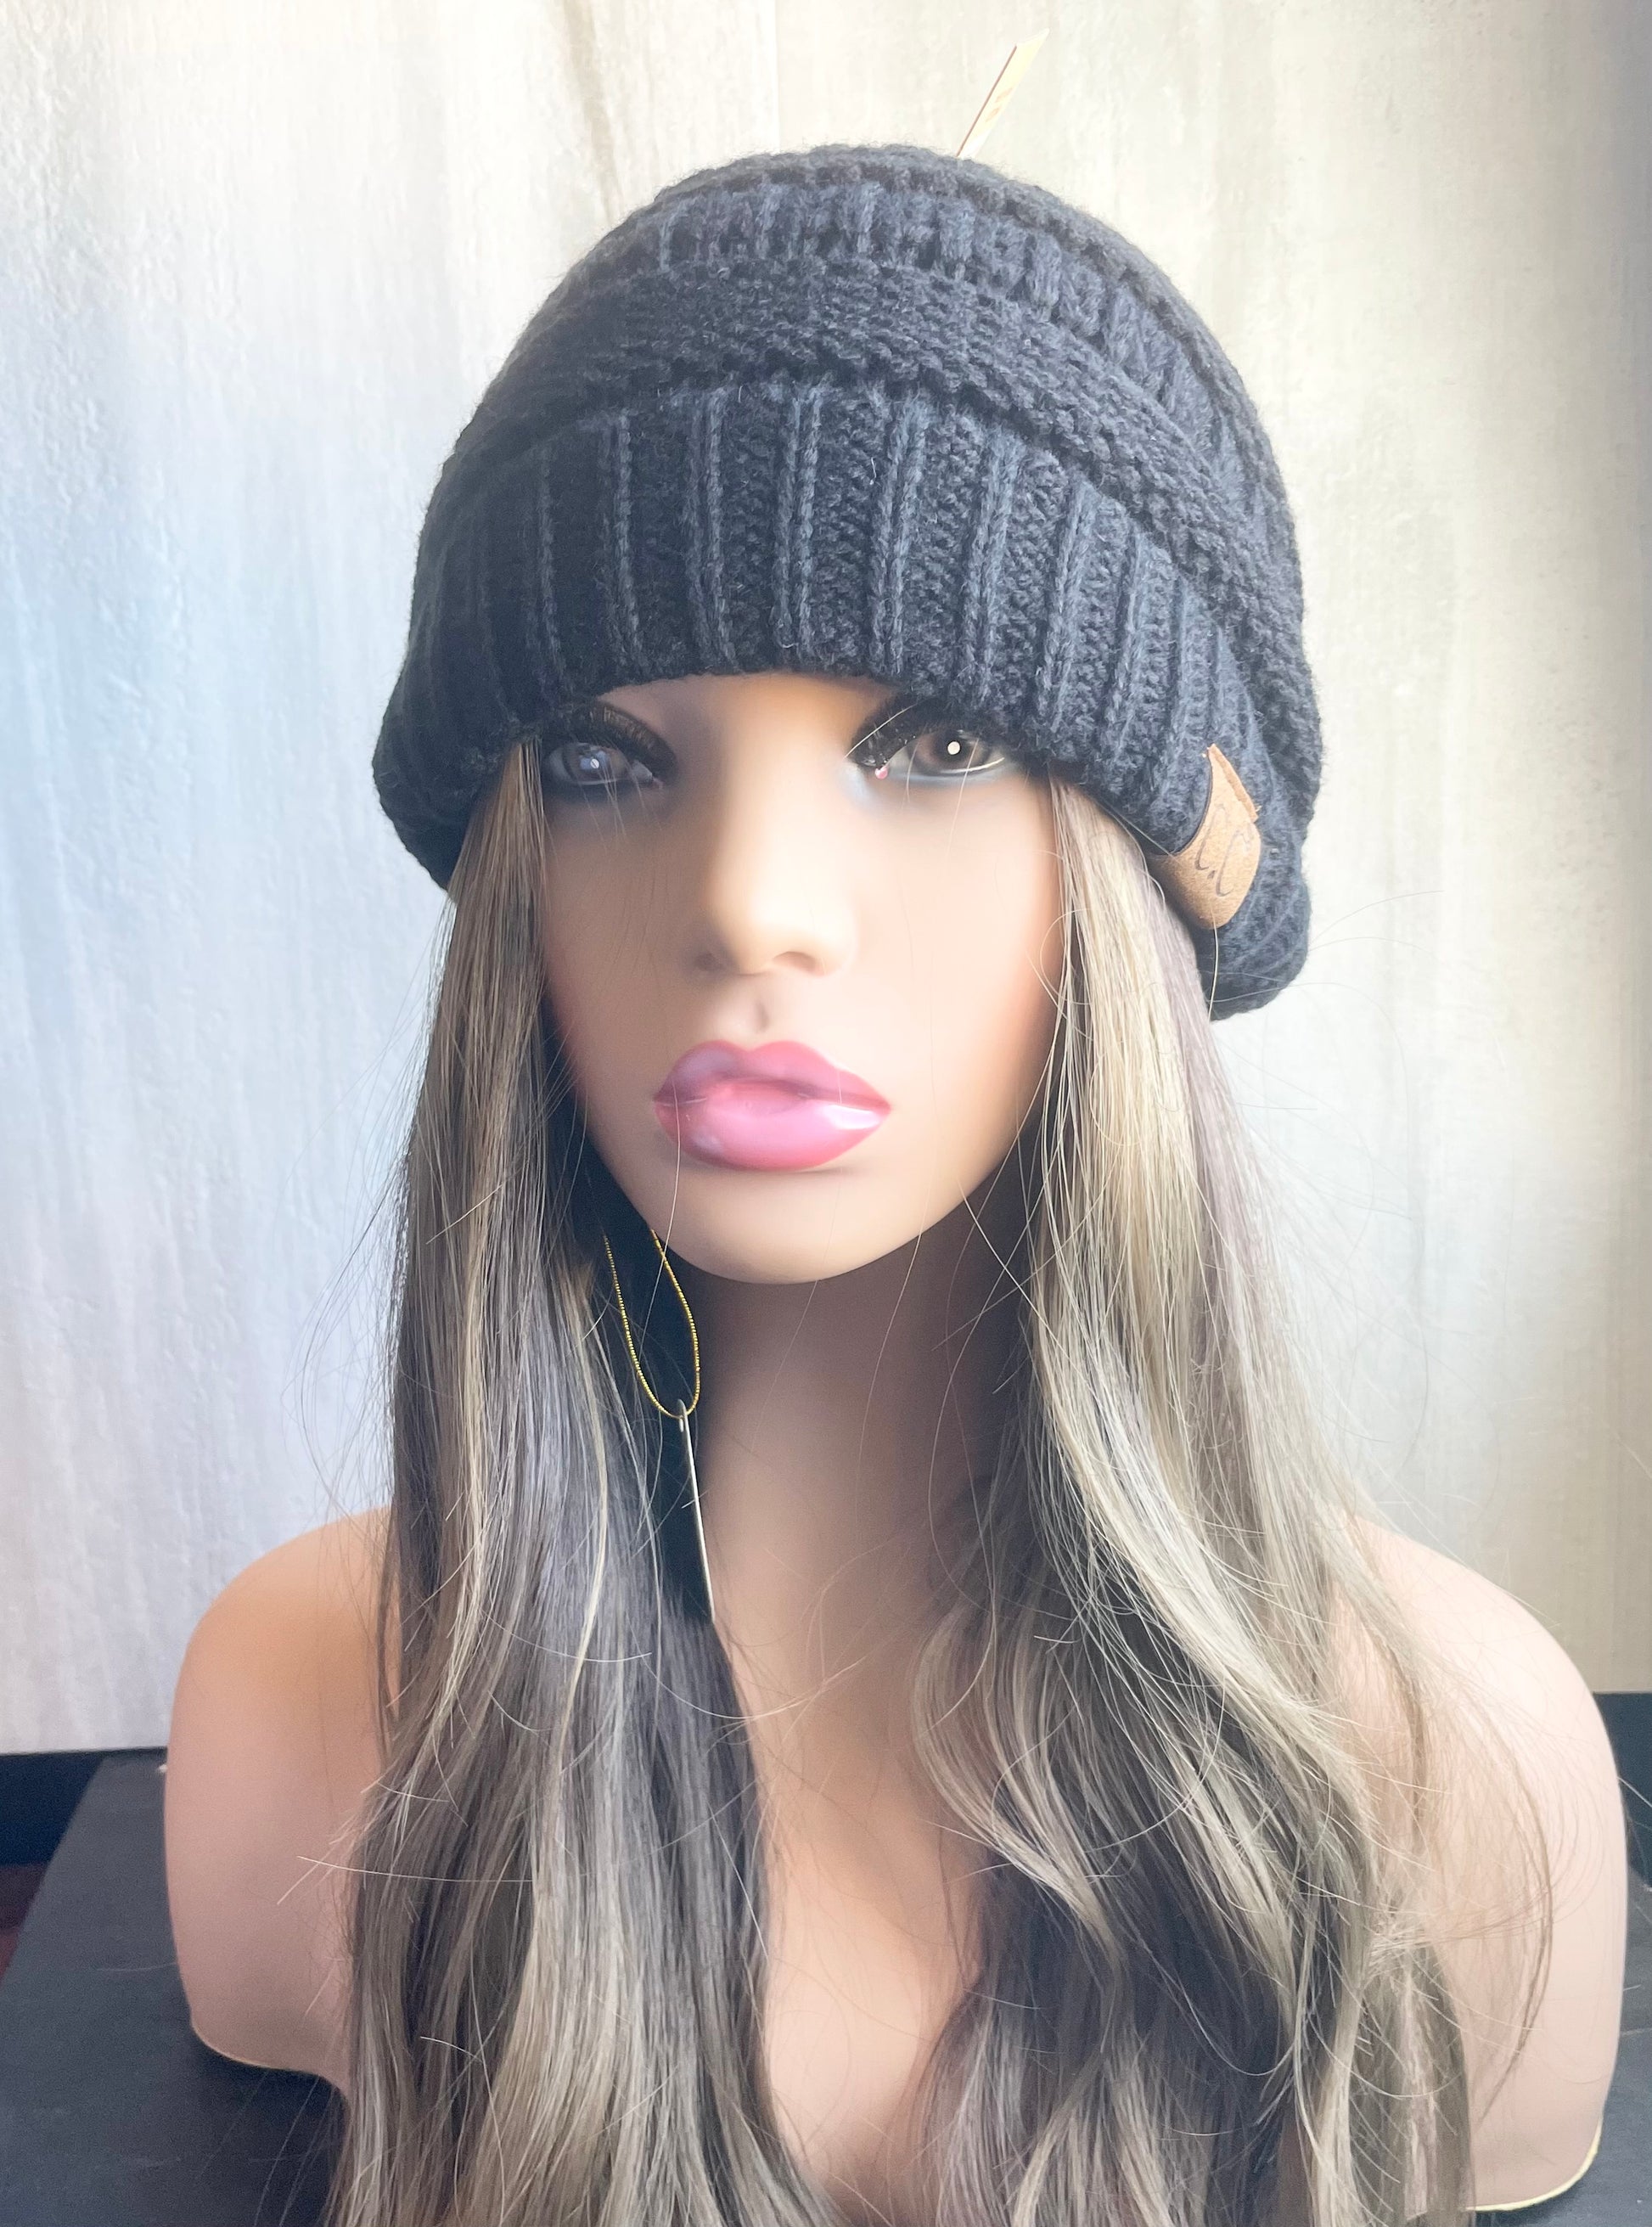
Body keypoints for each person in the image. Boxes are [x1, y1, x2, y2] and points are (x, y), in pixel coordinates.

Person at [163, 146, 1627, 2227]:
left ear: (1138, 886)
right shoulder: (305, 1716)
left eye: (932, 742)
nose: (750, 901)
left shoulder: (1456, 1784)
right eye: (605, 761)